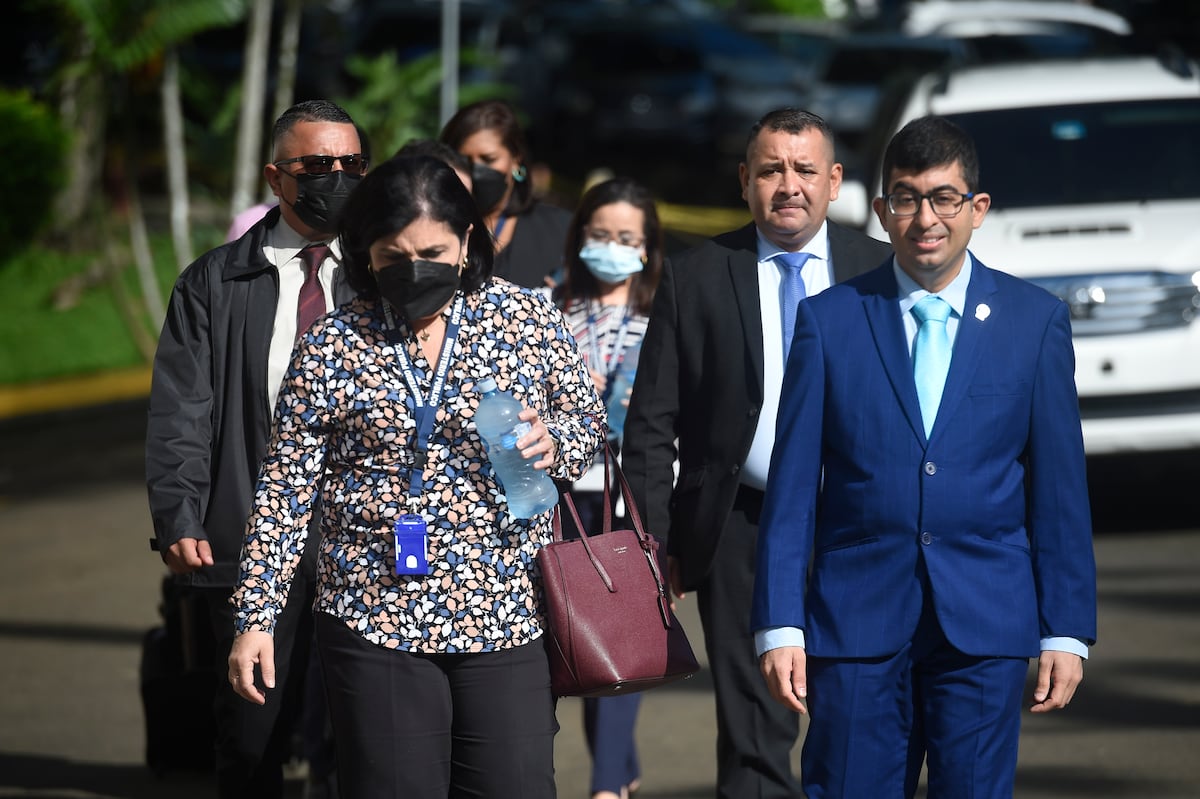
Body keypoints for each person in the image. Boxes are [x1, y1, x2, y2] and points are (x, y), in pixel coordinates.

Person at [226, 154, 606, 798]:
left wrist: (556, 441)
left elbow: (586, 423)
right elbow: (285, 491)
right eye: (393, 256)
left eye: (432, 252)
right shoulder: (331, 345)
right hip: (371, 610)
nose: (415, 270)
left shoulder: (528, 321)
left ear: (466, 241)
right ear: (365, 254)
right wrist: (255, 617)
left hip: (506, 605)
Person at [751, 115, 1098, 798]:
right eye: (907, 199)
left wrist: (1066, 629)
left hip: (986, 621)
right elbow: (791, 491)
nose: (926, 218)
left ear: (977, 208)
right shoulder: (829, 319)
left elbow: (1059, 492)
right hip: (855, 621)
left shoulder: (1034, 322)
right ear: (882, 211)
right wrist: (780, 621)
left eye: (944, 198)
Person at [621, 107, 892, 798]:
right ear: (744, 180)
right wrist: (652, 545)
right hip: (742, 525)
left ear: (835, 181)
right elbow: (651, 424)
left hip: (859, 526)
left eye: (805, 169)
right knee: (753, 727)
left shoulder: (880, 269)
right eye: (771, 170)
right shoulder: (698, 275)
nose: (788, 185)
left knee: (856, 713)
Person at [145, 99, 367, 798]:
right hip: (250, 542)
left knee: (365, 737)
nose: (338, 178)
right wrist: (178, 514)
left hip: (370, 545)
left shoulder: (383, 272)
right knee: (252, 732)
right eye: (318, 166)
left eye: (352, 164)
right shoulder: (214, 282)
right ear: (277, 177)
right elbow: (182, 411)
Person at [552, 177, 666, 799]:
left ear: (647, 246)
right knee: (582, 635)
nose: (612, 248)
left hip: (633, 495)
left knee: (623, 630)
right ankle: (618, 769)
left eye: (626, 237)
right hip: (563, 494)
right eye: (600, 235)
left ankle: (604, 784)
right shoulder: (548, 305)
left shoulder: (666, 312)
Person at [439, 98, 571, 289]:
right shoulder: (434, 228)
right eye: (464, 161)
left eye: (489, 159)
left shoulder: (560, 229)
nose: (476, 171)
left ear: (516, 160)